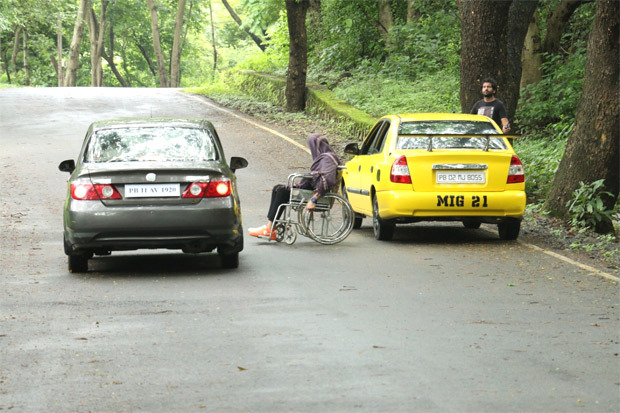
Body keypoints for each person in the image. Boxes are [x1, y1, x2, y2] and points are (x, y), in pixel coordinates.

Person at [248, 133, 341, 240]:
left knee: (282, 192)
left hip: (317, 194)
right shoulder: (323, 157)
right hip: (312, 189)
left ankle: (270, 228)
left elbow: (327, 180)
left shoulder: (327, 159)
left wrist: (314, 199)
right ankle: (270, 226)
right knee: (277, 188)